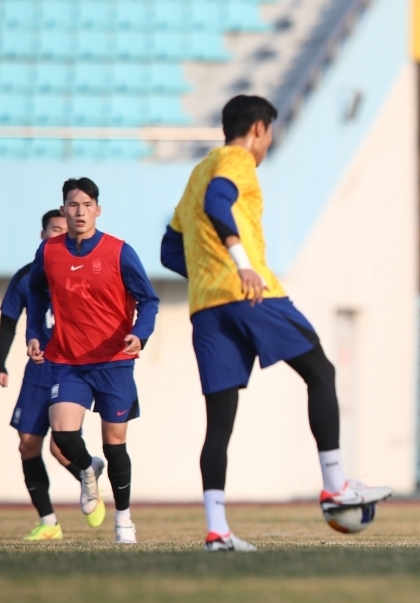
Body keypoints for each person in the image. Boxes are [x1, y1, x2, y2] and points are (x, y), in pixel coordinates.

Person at [160, 94, 392, 552]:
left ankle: (217, 530)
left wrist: (211, 275)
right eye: (270, 135)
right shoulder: (236, 160)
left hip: (207, 307)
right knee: (320, 371)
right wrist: (239, 264)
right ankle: (335, 486)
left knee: (219, 422)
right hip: (250, 293)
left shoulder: (196, 171)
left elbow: (170, 250)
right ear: (259, 129)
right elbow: (219, 201)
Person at [27, 178, 159, 545]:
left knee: (114, 443)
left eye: (87, 205)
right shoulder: (49, 252)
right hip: (67, 359)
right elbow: (36, 293)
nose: (80, 211)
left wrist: (140, 333)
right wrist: (34, 332)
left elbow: (149, 300)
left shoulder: (119, 251)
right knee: (64, 435)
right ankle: (87, 470)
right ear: (63, 210)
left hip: (114, 361)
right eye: (73, 204)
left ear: (97, 210)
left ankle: (124, 521)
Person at [0, 209, 105, 540]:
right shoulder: (27, 276)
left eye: (65, 229)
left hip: (68, 369)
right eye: (54, 229)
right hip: (37, 371)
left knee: (61, 447)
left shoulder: (81, 272)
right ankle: (49, 523)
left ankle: (88, 474)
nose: (60, 234)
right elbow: (9, 321)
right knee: (27, 445)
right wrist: (0, 364)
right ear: (43, 235)